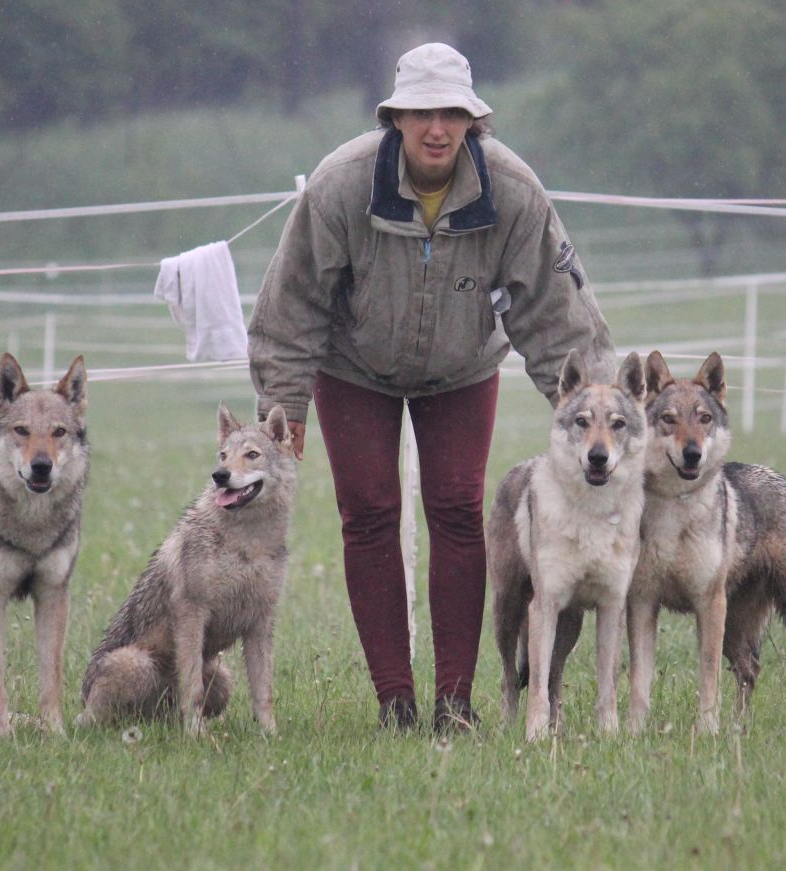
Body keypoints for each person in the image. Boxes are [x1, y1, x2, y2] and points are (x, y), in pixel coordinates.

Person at [248, 42, 614, 733]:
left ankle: (455, 702)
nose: (437, 129)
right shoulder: (340, 186)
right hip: (353, 365)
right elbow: (290, 301)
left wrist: (592, 408)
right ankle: (395, 701)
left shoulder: (513, 192)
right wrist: (283, 403)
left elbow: (556, 310)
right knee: (370, 512)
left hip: (461, 365)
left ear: (475, 122)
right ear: (395, 120)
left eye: (452, 114)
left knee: (454, 509)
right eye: (421, 114)